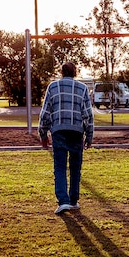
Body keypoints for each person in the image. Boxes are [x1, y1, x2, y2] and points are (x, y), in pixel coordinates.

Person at [38, 62, 94, 215]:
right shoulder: (83, 89)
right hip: (77, 132)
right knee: (75, 167)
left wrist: (43, 135)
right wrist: (89, 136)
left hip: (59, 131)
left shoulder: (53, 87)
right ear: (75, 73)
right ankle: (74, 200)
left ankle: (63, 201)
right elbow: (88, 115)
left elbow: (45, 114)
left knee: (60, 167)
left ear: (61, 72)